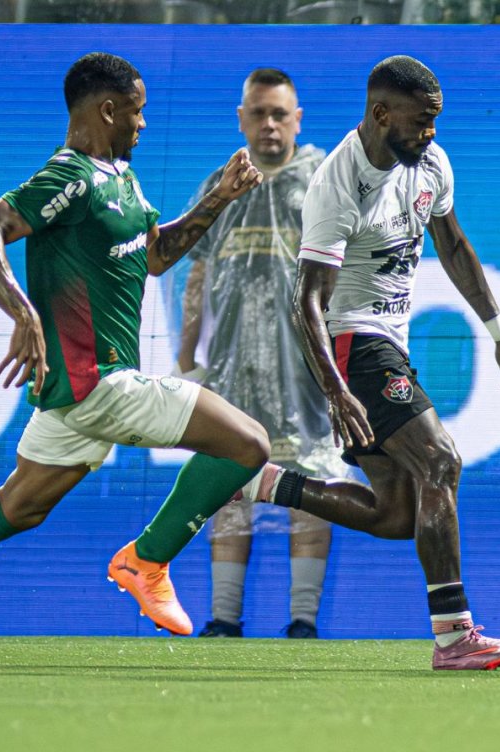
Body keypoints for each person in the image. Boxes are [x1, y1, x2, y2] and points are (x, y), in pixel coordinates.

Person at [0, 52, 269, 671]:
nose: (144, 124)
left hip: (73, 393)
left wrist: (218, 198)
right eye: (138, 111)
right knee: (248, 443)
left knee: (19, 505)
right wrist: (24, 313)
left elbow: (155, 254)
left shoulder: (118, 177)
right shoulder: (68, 177)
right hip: (101, 382)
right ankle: (146, 560)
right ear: (107, 109)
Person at [237, 55, 500, 670]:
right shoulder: (338, 183)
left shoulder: (430, 163)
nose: (430, 135)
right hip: (351, 345)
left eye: (435, 123)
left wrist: (499, 330)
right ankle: (455, 637)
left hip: (386, 345)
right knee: (442, 461)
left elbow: (452, 244)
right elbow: (307, 302)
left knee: (400, 513)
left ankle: (267, 482)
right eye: (420, 122)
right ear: (380, 114)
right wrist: (338, 390)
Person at [173, 68, 346, 640]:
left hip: (307, 367)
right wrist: (186, 350)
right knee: (226, 484)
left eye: (280, 114)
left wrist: (342, 358)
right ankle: (224, 619)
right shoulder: (221, 184)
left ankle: (303, 620)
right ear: (241, 118)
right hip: (233, 364)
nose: (269, 124)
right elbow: (197, 269)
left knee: (312, 482)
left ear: (298, 120)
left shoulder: (321, 181)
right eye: (258, 113)